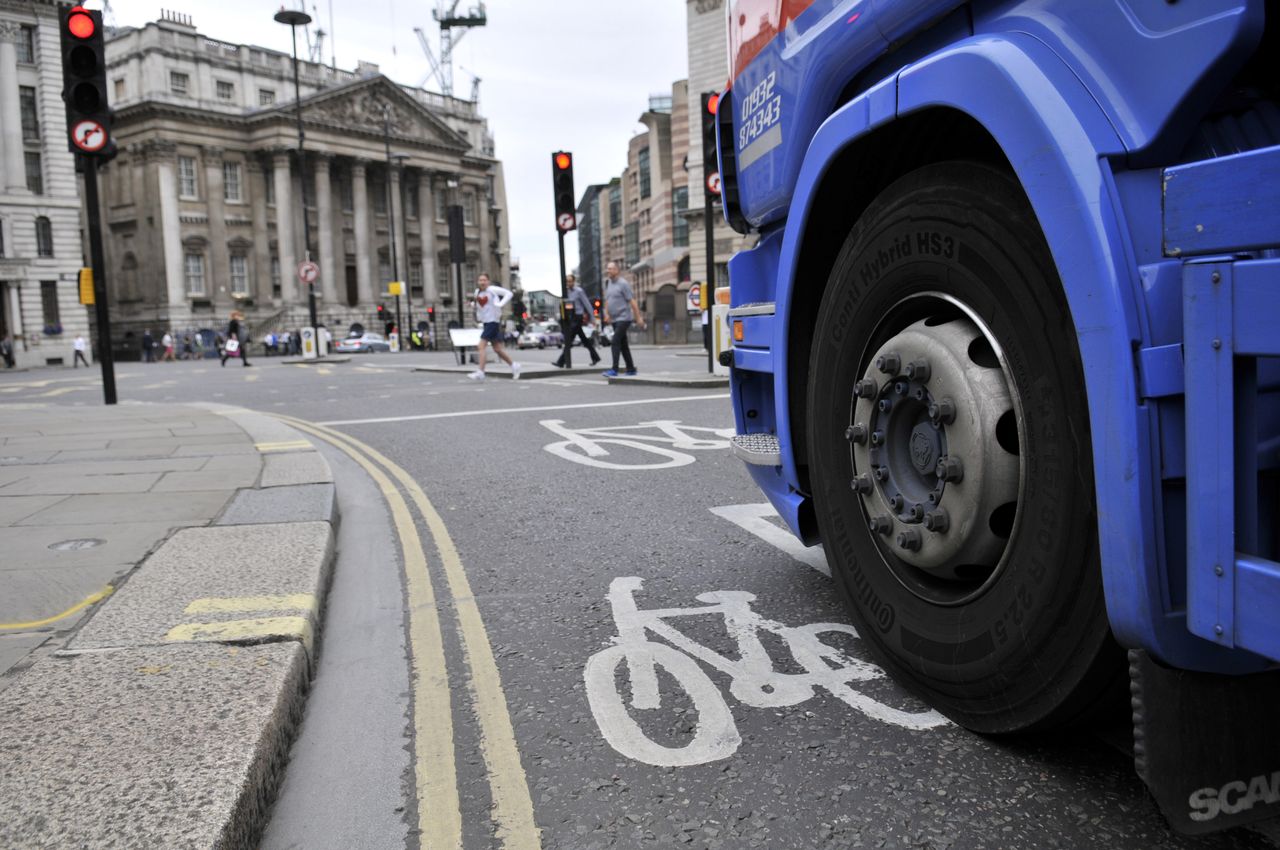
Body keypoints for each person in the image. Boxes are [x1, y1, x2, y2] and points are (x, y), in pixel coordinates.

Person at [468, 273, 521, 381]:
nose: (482, 282)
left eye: (484, 280)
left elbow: (509, 293)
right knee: (497, 349)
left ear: (488, 281)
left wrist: (501, 304)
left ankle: (481, 372)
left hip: (493, 322)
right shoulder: (477, 292)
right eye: (480, 280)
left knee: (481, 346)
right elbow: (480, 304)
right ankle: (514, 365)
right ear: (478, 282)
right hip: (486, 322)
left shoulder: (492, 290)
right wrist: (472, 305)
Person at [601, 261, 645, 377]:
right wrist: (607, 314)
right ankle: (631, 369)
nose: (608, 271)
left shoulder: (623, 284)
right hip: (615, 319)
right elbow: (607, 300)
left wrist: (638, 318)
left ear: (617, 270)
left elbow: (632, 301)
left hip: (624, 318)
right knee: (623, 344)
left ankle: (614, 369)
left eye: (610, 269)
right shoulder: (608, 283)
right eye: (607, 268)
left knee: (615, 341)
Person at [552, 273, 601, 368]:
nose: (568, 283)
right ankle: (595, 357)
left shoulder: (579, 291)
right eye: (567, 281)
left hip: (578, 317)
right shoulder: (566, 292)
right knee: (584, 340)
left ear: (574, 282)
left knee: (569, 340)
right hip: (571, 317)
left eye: (570, 281)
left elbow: (586, 303)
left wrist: (593, 317)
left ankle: (561, 361)